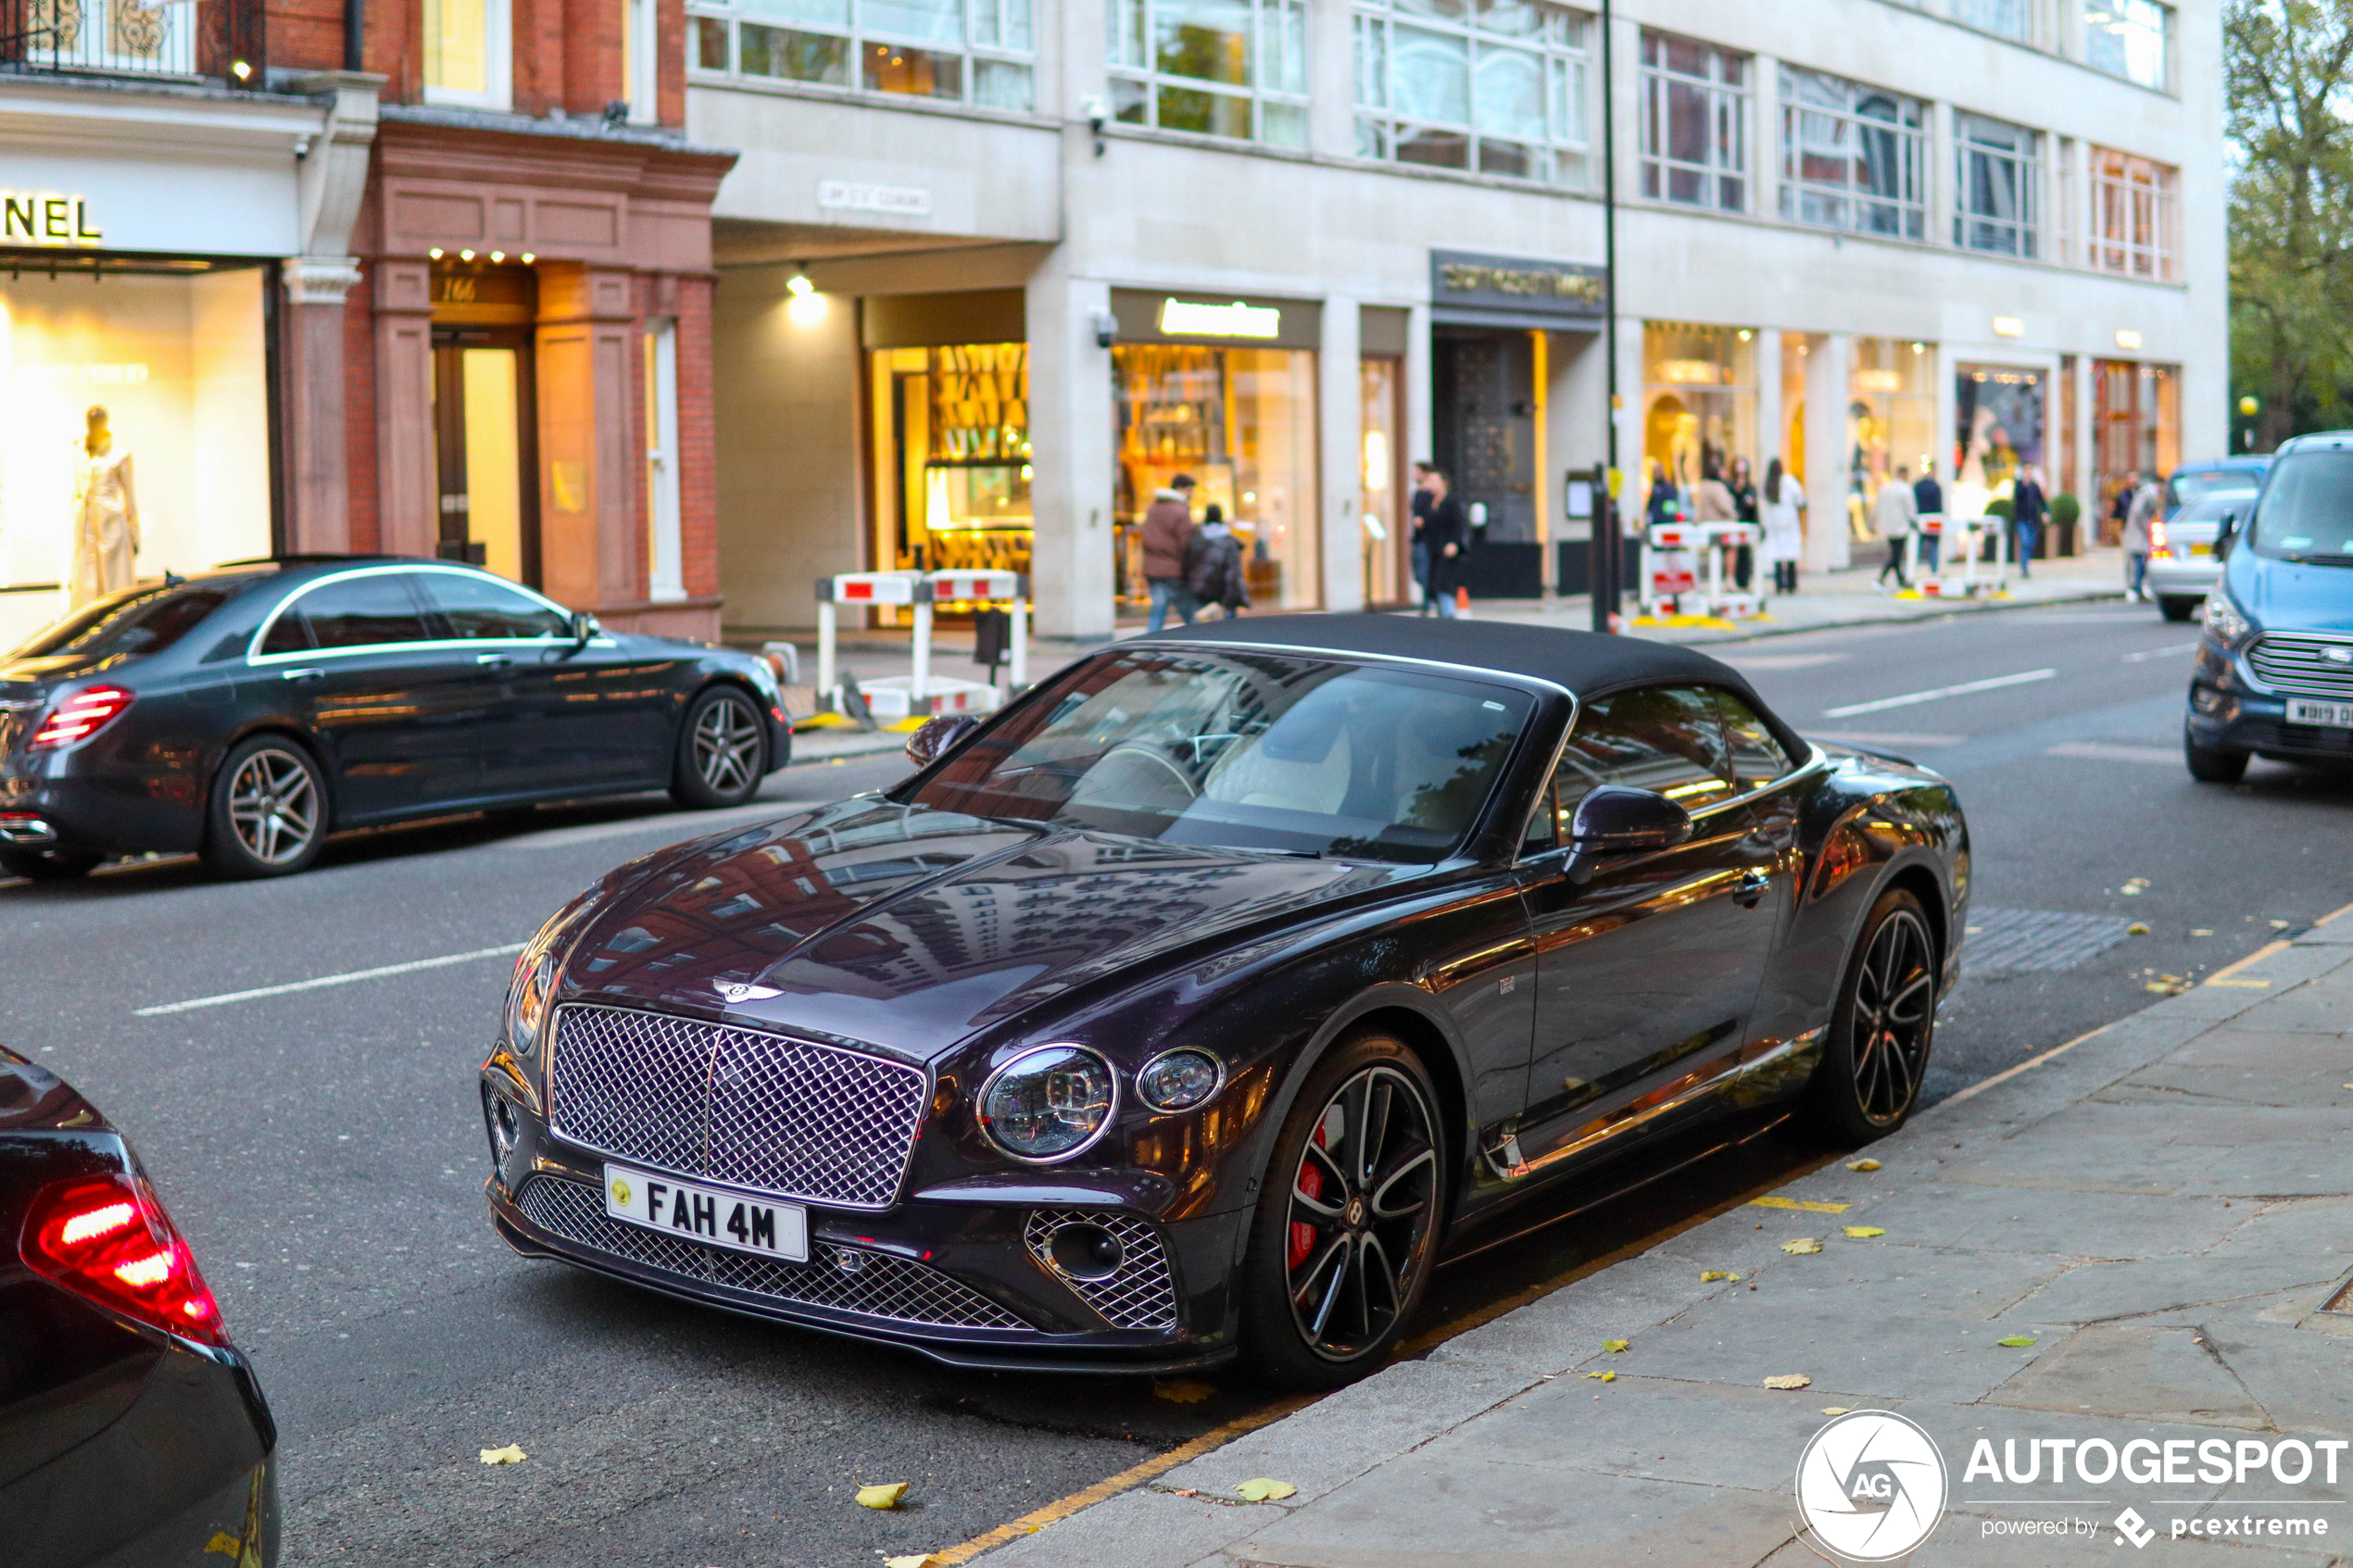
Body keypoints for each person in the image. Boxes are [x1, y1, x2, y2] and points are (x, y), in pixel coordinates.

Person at [1140, 473, 1199, 633]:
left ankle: (1150, 647)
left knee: (1157, 611)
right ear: (1179, 489)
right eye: (1189, 490)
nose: (1191, 494)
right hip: (1174, 569)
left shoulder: (1152, 509)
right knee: (1188, 611)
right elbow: (1185, 543)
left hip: (1152, 568)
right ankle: (1204, 640)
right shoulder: (1180, 511)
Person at [1182, 502, 1249, 618]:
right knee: (1227, 629)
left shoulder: (1196, 538)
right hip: (1223, 590)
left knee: (1202, 625)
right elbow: (1234, 570)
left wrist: (1187, 584)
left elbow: (1187, 564)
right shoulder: (1228, 541)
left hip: (1200, 588)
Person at [1423, 467, 1469, 619]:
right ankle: (1436, 610)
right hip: (1433, 548)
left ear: (1444, 483)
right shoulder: (1429, 501)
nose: (1431, 484)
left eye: (1434, 481)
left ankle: (1447, 614)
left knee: (1444, 581)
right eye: (1429, 481)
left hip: (1448, 548)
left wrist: (1454, 543)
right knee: (1432, 580)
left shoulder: (1451, 501)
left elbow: (1458, 524)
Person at [1761, 458, 1806, 595]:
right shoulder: (1789, 482)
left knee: (1778, 556)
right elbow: (1800, 499)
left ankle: (1779, 585)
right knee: (1791, 554)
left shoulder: (1768, 484)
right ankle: (1792, 584)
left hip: (1775, 523)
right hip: (1789, 522)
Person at [1872, 466, 1918, 590]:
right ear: (1904, 474)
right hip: (1900, 527)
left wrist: (1874, 522)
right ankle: (1881, 579)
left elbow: (1877, 508)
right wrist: (1914, 522)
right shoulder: (1905, 489)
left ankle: (1901, 582)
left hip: (1887, 527)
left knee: (1895, 553)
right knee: (1896, 555)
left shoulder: (1885, 489)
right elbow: (1910, 510)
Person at [2122, 471, 2162, 601]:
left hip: (2138, 534)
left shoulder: (2146, 493)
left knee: (2141, 561)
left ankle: (2139, 588)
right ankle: (2137, 588)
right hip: (2138, 534)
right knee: (2139, 561)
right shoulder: (2147, 494)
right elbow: (2138, 512)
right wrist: (2147, 526)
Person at [1728, 456, 1759, 590]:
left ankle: (1745, 581)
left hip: (1747, 522)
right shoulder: (1730, 485)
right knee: (1734, 552)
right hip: (1734, 523)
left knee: (1745, 554)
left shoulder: (1749, 486)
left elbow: (1753, 502)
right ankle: (1733, 580)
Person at [1409, 461, 1436, 613]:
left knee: (1423, 571)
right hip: (1418, 538)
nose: (1414, 475)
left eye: (1417, 472)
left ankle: (1428, 601)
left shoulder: (1429, 494)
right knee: (1418, 572)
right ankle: (1429, 598)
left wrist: (1424, 520)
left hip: (1426, 538)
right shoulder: (1417, 493)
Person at [2011, 465, 2047, 579]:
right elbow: (2016, 497)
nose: (2028, 473)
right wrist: (2023, 485)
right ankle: (2024, 568)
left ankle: (2025, 563)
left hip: (2033, 520)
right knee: (2025, 542)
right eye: (2026, 471)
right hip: (2022, 520)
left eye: (2030, 471)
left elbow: (2041, 501)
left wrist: (2046, 512)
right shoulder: (2019, 485)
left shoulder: (2035, 486)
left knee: (2031, 544)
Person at [1912, 461, 1944, 572]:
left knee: (1918, 545)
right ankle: (1934, 570)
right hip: (1933, 519)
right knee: (1933, 546)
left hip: (1920, 518)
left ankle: (1913, 567)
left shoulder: (1918, 485)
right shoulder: (1935, 486)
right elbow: (1938, 505)